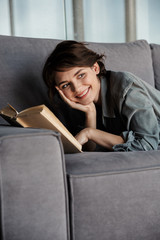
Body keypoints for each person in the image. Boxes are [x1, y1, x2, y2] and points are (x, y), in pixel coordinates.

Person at [42, 40, 160, 151]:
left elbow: (147, 144)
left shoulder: (126, 87)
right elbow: (90, 149)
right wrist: (90, 113)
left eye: (81, 75)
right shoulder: (75, 104)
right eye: (65, 85)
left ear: (95, 68)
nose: (77, 88)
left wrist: (90, 133)